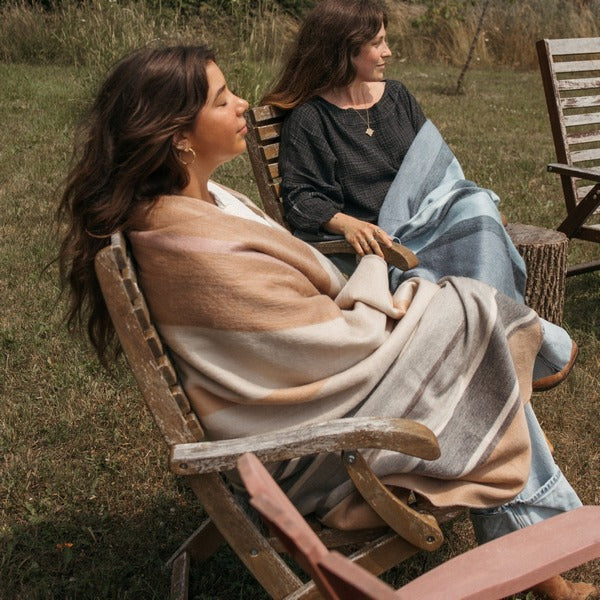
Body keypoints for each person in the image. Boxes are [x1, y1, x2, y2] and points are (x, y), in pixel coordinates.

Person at [57, 45, 597, 599]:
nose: (242, 104)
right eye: (222, 100)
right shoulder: (192, 248)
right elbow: (327, 345)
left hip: (326, 399)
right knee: (473, 322)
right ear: (179, 137)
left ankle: (542, 535)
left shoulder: (203, 205)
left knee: (468, 329)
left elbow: (299, 334)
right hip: (316, 452)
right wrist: (380, 281)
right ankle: (545, 511)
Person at [261, 0, 579, 396]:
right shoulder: (311, 119)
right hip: (385, 246)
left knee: (475, 206)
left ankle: (497, 344)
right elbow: (302, 197)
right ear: (344, 50)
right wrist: (347, 223)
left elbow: (432, 167)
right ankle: (518, 345)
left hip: (425, 219)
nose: (388, 52)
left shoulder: (396, 96)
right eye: (377, 44)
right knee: (476, 225)